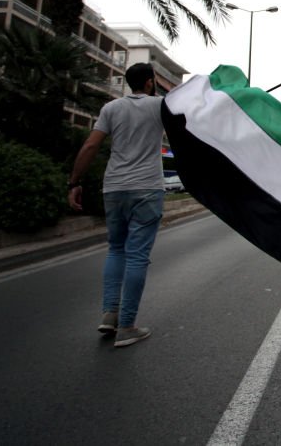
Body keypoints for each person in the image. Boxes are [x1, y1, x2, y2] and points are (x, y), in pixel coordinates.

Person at [68, 62, 166, 349]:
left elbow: (90, 146)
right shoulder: (160, 106)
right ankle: (127, 326)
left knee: (116, 249)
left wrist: (74, 182)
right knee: (137, 256)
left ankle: (109, 314)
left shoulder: (111, 109)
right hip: (147, 188)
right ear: (149, 82)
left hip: (114, 188)